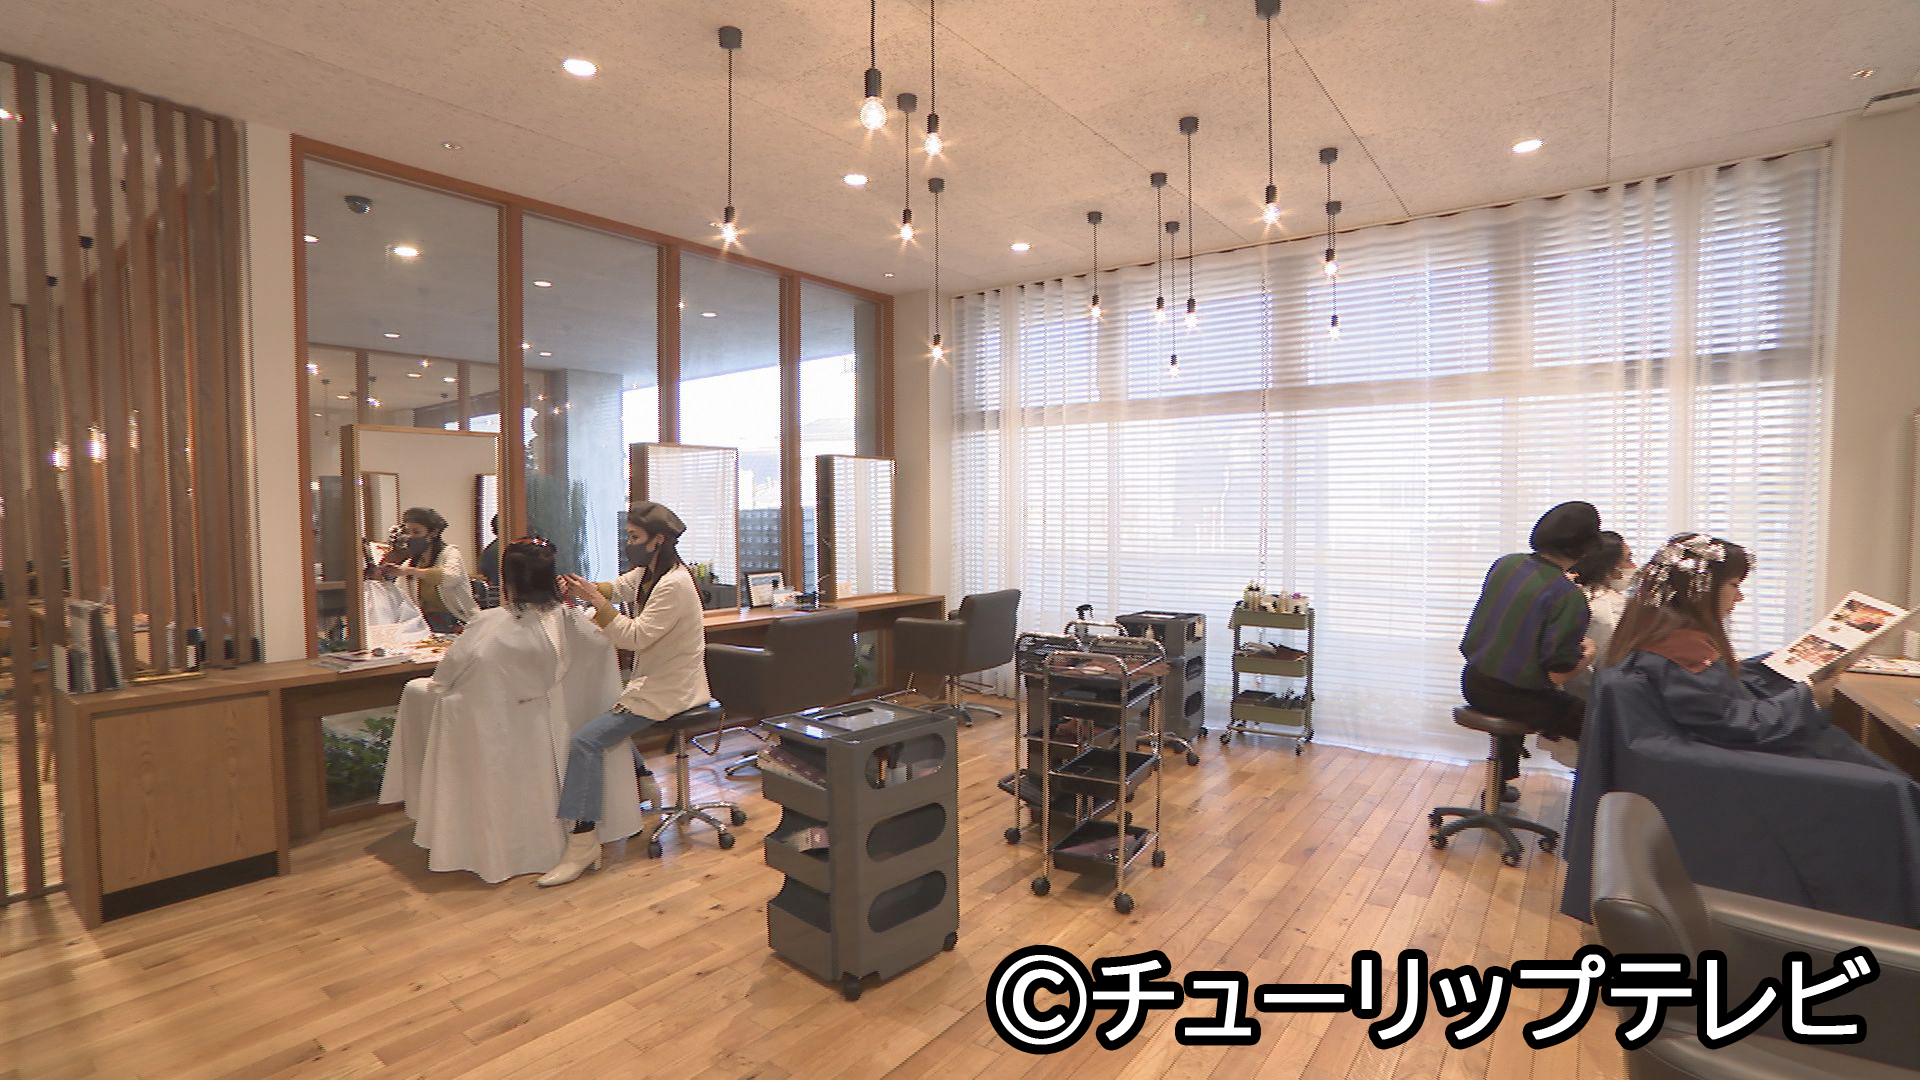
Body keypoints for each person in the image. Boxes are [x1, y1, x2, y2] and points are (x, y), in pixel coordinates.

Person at [378, 538, 645, 883]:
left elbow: (447, 676)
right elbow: (596, 668)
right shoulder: (576, 623)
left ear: (509, 579)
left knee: (421, 694)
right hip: (555, 728)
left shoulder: (489, 624)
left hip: (500, 731)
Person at [1603, 533, 1895, 768]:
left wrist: (1782, 662)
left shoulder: (1660, 637)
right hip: (1737, 767)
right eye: (1734, 585)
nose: (1740, 597)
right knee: (1890, 785)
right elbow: (1740, 725)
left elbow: (1719, 691)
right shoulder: (1680, 652)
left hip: (1727, 753)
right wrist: (1809, 695)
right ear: (1702, 590)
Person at [538, 501, 711, 887]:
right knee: (604, 710)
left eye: (634, 537)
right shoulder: (651, 573)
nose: (627, 543)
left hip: (671, 690)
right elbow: (619, 587)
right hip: (655, 682)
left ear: (657, 540)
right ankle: (644, 777)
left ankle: (582, 844)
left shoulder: (674, 585)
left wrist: (598, 604)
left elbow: (635, 636)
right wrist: (585, 588)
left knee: (585, 741)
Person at [1459, 502, 1603, 790]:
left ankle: (1498, 787)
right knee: (1597, 724)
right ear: (1586, 548)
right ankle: (1597, 804)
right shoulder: (1568, 597)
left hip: (1474, 680)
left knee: (1519, 683)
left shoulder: (1506, 564)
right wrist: (1588, 654)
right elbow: (1557, 674)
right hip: (1514, 698)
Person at [385, 506, 481, 633]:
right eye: (408, 532)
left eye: (416, 532)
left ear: (433, 533)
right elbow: (400, 594)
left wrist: (410, 571)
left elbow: (450, 577)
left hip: (456, 621)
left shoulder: (450, 553)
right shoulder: (412, 562)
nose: (410, 537)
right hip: (424, 624)